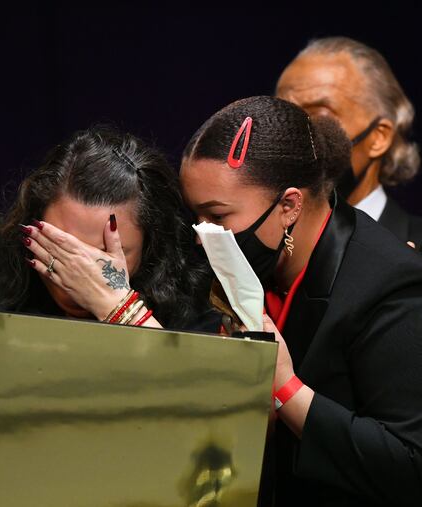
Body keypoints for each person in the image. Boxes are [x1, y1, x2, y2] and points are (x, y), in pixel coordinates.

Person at [180, 95, 422, 506]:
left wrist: (285, 389)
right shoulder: (232, 267)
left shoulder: (389, 284)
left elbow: (410, 466)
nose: (205, 235)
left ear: (289, 205)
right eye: (197, 218)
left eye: (218, 217)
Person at [0, 126, 216, 331]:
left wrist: (116, 307)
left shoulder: (202, 315)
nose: (82, 274)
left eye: (104, 253)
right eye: (61, 249)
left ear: (150, 245)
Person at [276, 36, 422, 248]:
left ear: (378, 138)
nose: (292, 134)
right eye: (283, 116)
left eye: (319, 117)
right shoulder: (265, 249)